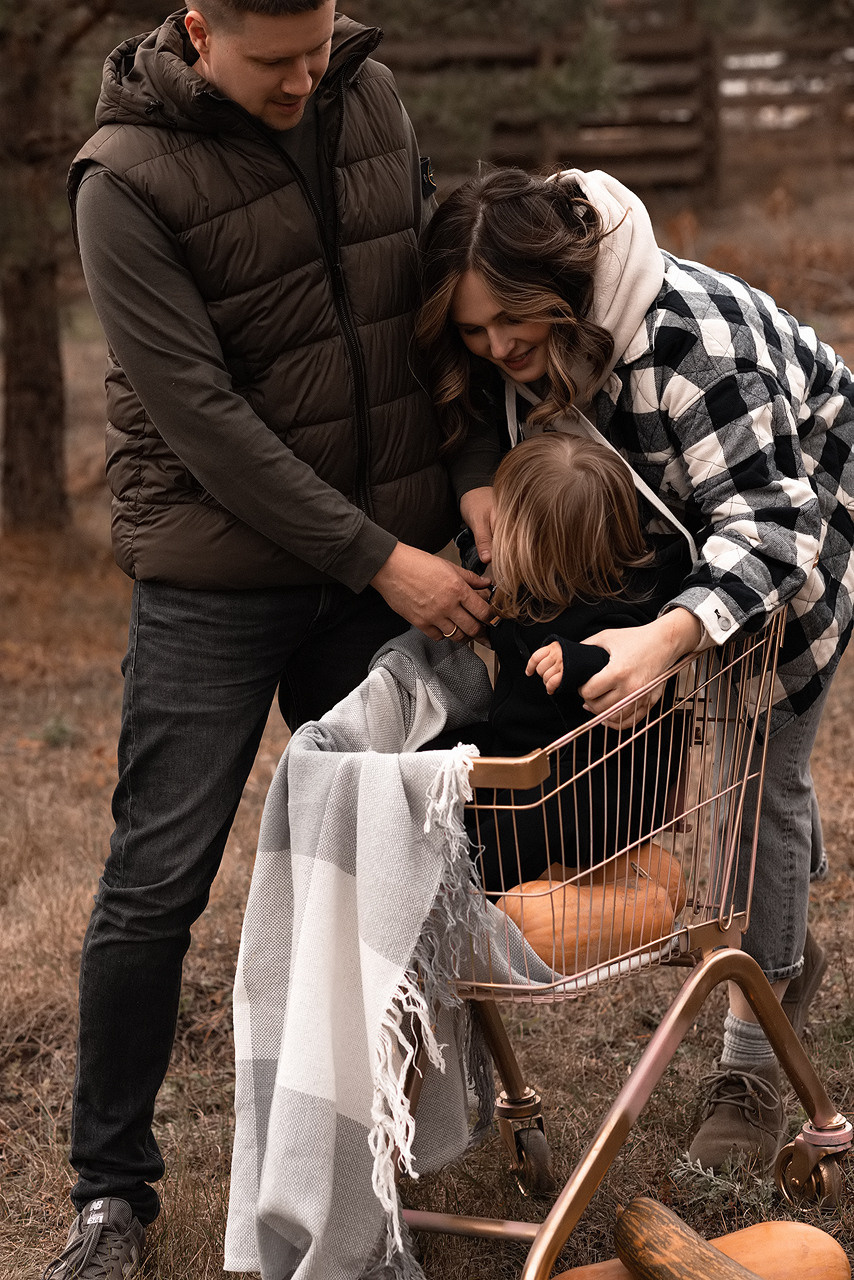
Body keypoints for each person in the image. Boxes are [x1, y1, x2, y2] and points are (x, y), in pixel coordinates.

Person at [47, 3, 494, 1277]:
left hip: (388, 552)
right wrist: (382, 559)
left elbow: (427, 313)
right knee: (157, 878)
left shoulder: (366, 92)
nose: (307, 76)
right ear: (200, 30)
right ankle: (111, 1191)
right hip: (220, 572)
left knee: (399, 849)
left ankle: (385, 1155)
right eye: (274, 61)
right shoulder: (121, 181)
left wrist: (469, 477)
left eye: (319, 43)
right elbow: (201, 416)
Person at [417, 164, 853, 1173]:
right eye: (475, 332)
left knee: (759, 774)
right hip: (651, 541)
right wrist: (481, 494)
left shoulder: (694, 346)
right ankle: (781, 929)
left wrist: (667, 637)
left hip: (789, 526)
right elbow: (472, 414)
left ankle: (751, 1061)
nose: (497, 351)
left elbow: (770, 527)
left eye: (510, 322)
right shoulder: (515, 339)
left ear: (559, 281)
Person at [426, 431, 690, 896]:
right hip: (523, 754)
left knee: (513, 834)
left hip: (592, 790)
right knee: (439, 755)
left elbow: (620, 660)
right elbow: (511, 631)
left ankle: (476, 894)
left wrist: (576, 660)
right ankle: (431, 854)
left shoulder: (616, 606)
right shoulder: (529, 592)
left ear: (534, 543)